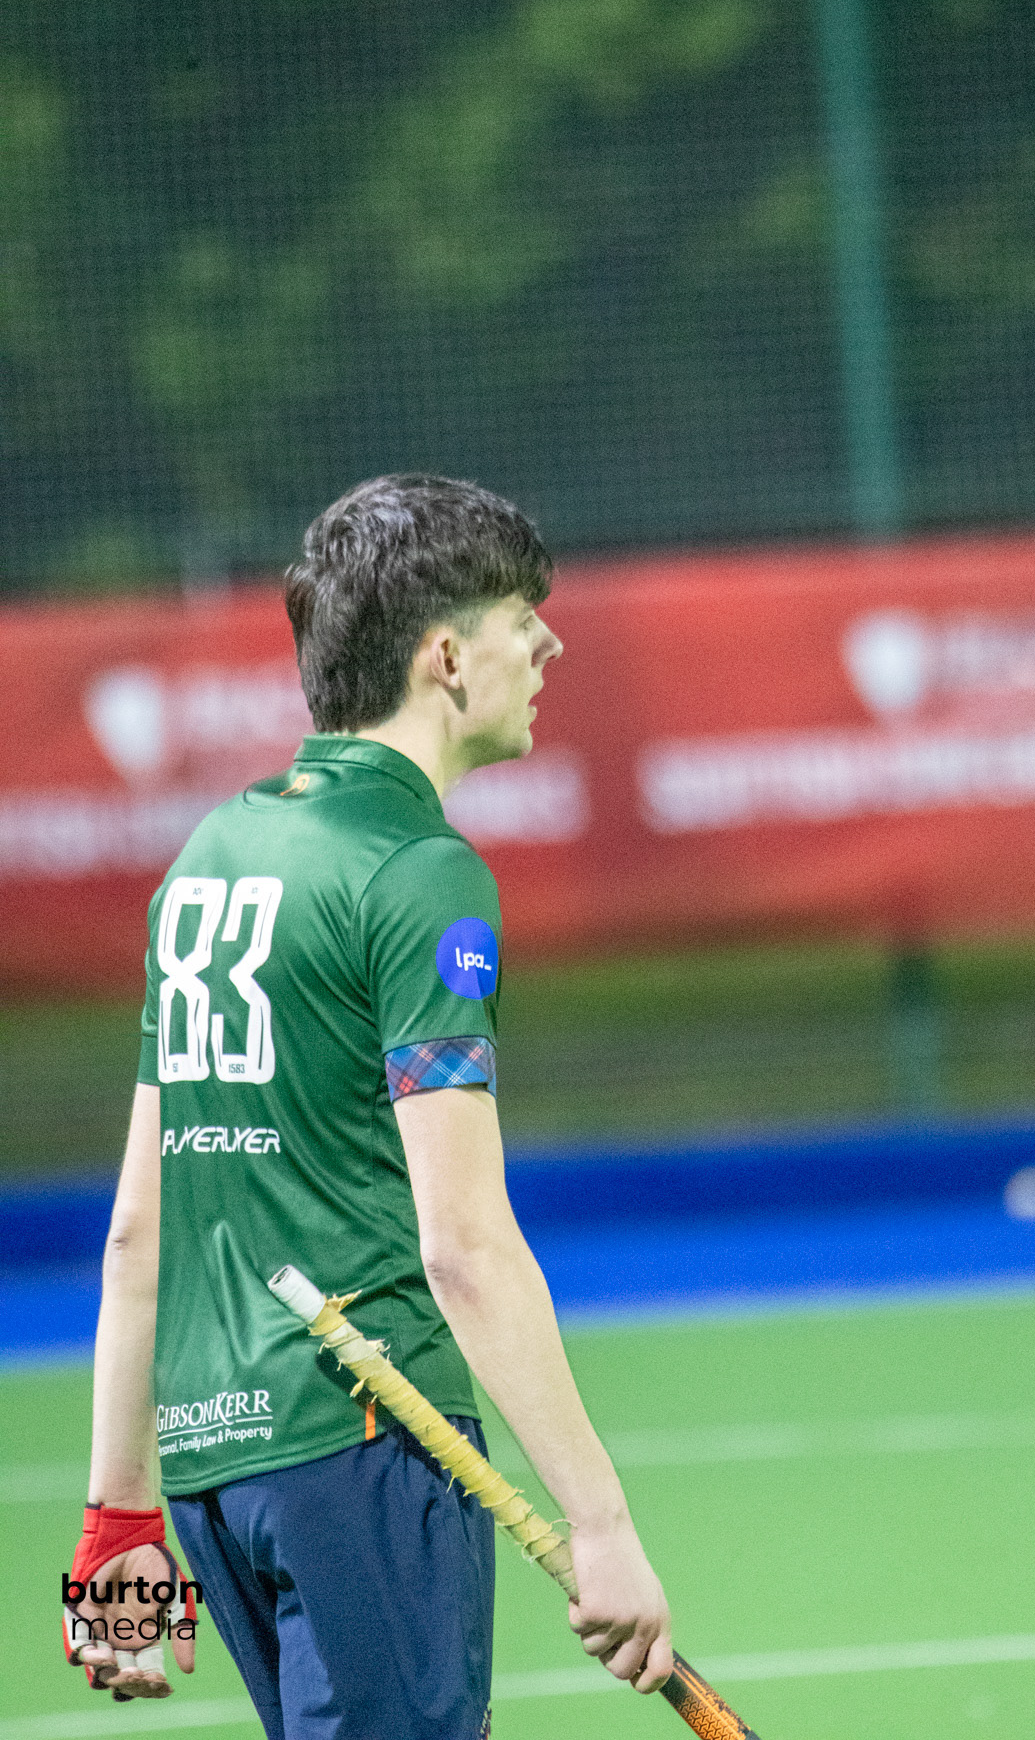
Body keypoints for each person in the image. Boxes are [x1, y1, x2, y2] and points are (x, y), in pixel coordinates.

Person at [64, 474, 672, 1738]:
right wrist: (603, 1523)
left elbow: (135, 1230)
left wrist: (117, 1523)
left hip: (215, 1466)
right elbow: (464, 1247)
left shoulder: (206, 859)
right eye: (522, 619)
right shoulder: (419, 872)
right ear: (445, 657)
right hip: (370, 1442)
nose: (549, 645)